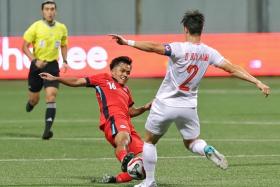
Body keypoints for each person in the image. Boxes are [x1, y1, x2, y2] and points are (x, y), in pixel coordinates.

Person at [110, 10, 271, 187]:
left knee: (149, 142)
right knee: (192, 142)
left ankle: (149, 182)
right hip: (188, 107)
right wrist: (257, 81)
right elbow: (232, 68)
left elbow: (153, 47)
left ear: (185, 29)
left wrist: (127, 42)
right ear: (202, 29)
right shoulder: (209, 52)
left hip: (164, 104)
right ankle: (207, 149)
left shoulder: (178, 48)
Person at [40, 56, 152, 183]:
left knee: (145, 160)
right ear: (113, 71)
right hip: (113, 119)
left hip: (127, 123)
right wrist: (56, 78)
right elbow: (77, 81)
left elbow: (131, 111)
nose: (125, 75)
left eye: (128, 72)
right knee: (123, 139)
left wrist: (145, 108)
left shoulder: (126, 90)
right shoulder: (103, 78)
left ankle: (117, 179)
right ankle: (124, 159)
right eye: (122, 71)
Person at [22, 0, 69, 140]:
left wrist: (65, 60)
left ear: (56, 11)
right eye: (47, 9)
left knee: (51, 95)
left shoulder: (62, 28)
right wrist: (34, 60)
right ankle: (31, 104)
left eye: (52, 9)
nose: (50, 11)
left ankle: (47, 131)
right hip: (37, 65)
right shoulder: (35, 27)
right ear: (43, 11)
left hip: (52, 66)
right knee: (34, 99)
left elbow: (64, 45)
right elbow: (24, 46)